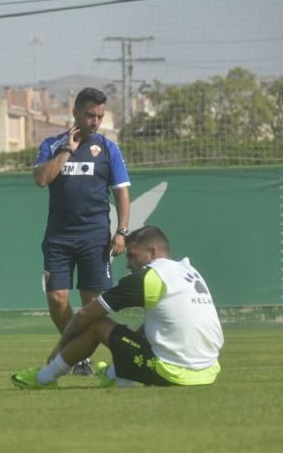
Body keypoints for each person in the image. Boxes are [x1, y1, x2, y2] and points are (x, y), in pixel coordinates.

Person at [11, 226, 224, 390]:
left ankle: (44, 378)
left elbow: (85, 315)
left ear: (151, 252)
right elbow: (164, 325)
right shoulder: (187, 271)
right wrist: (126, 348)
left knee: (96, 323)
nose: (128, 263)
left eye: (131, 255)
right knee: (142, 330)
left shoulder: (148, 278)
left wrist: (58, 349)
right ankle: (115, 374)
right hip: (209, 370)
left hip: (175, 373)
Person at [33, 87, 131, 375]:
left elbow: (122, 193)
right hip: (58, 238)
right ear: (75, 112)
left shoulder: (109, 149)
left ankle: (105, 356)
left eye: (99, 116)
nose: (95, 122)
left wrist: (122, 231)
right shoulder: (51, 145)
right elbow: (41, 179)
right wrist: (67, 150)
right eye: (90, 115)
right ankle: (79, 356)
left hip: (95, 238)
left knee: (93, 305)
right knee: (57, 298)